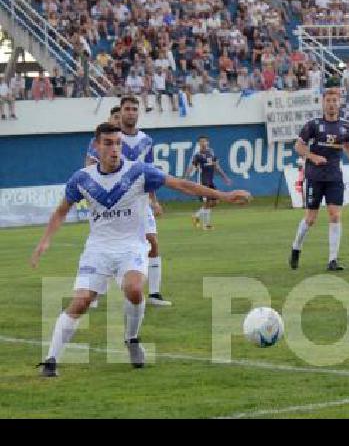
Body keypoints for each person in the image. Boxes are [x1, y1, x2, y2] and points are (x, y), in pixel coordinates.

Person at [31, 122, 251, 377]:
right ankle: (50, 361)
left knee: (134, 289)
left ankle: (131, 339)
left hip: (131, 245)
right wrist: (45, 240)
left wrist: (223, 196)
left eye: (118, 143)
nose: (114, 149)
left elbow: (181, 184)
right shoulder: (82, 179)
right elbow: (61, 211)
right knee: (81, 302)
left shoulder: (139, 172)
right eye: (108, 143)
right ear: (96, 146)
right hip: (98, 248)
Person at [290, 88, 349, 271]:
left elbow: (347, 146)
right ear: (323, 103)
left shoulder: (345, 126)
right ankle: (296, 247)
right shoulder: (313, 125)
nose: (332, 103)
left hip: (334, 177)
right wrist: (313, 157)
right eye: (328, 100)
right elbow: (298, 147)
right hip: (315, 177)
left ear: (339, 103)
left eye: (335, 100)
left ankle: (332, 260)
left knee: (335, 215)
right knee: (310, 219)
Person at [117, 96, 172, 305]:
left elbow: (149, 173)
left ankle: (155, 294)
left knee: (153, 242)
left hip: (141, 200)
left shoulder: (146, 141)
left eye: (134, 109)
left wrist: (154, 200)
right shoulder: (112, 138)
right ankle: (100, 287)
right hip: (118, 202)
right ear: (120, 112)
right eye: (127, 109)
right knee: (116, 248)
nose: (131, 112)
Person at [184, 136, 232, 230]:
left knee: (215, 201)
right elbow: (192, 167)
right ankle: (206, 225)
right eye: (201, 142)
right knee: (208, 201)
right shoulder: (197, 155)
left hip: (210, 181)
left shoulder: (211, 153)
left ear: (208, 142)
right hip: (203, 181)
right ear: (199, 144)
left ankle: (196, 215)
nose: (203, 143)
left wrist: (225, 177)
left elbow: (216, 167)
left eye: (204, 141)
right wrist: (185, 178)